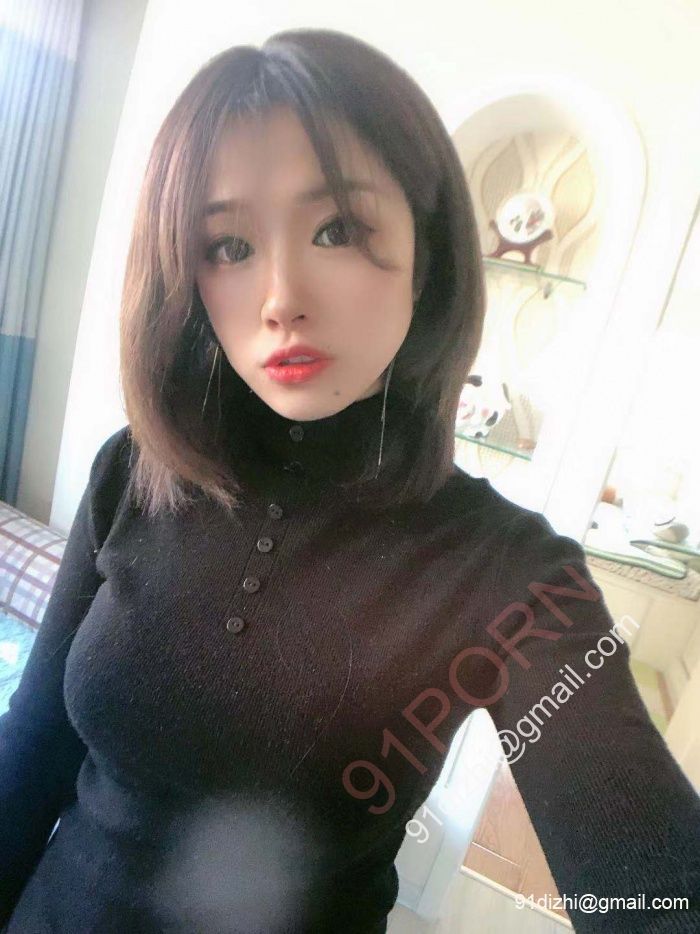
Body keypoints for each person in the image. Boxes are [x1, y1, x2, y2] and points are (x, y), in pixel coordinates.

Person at [1, 27, 699, 934]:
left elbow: (654, 895)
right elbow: (33, 752)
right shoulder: (133, 472)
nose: (280, 297)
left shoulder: (512, 575)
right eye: (227, 245)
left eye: (337, 229)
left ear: (428, 251)